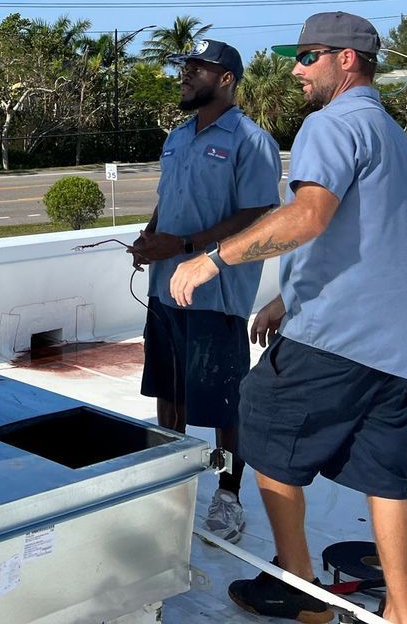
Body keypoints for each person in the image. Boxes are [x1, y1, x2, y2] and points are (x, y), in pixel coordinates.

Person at [170, 12, 407, 624]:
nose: (296, 68)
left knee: (259, 422)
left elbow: (309, 216)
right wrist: (285, 300)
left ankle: (302, 591)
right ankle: (401, 614)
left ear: (346, 60)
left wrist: (215, 260)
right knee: (387, 481)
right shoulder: (390, 132)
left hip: (341, 336)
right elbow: (362, 239)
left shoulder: (331, 123)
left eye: (308, 55)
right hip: (397, 341)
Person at [129, 38, 282, 543]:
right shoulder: (176, 136)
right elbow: (166, 198)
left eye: (198, 67)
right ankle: (170, 485)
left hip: (216, 291)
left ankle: (228, 494)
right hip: (165, 287)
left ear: (226, 79)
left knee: (223, 398)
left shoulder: (249, 140)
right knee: (168, 388)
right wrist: (152, 236)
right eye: (185, 67)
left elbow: (257, 213)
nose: (186, 74)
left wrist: (189, 244)